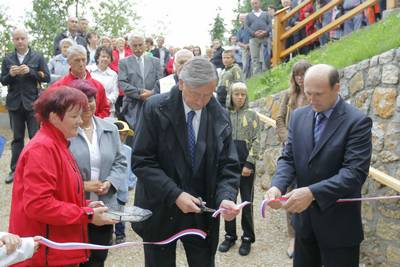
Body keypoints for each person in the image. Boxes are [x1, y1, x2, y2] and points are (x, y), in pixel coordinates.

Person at [131, 57, 241, 267]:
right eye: (195, 94)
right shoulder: (155, 108)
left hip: (202, 211)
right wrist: (175, 194)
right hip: (161, 207)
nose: (201, 102)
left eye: (208, 95)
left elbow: (228, 165)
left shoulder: (219, 115)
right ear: (181, 83)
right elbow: (142, 161)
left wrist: (226, 197)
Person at [265, 64, 373, 267]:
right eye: (308, 93)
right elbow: (288, 158)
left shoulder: (357, 122)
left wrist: (312, 193)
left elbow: (354, 174)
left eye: (318, 94)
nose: (312, 100)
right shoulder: (298, 116)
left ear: (337, 88)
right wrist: (277, 186)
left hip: (339, 226)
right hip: (304, 224)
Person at [8, 86, 115, 267]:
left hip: (55, 251)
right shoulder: (43, 149)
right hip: (45, 255)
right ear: (54, 117)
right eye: (74, 116)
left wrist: (87, 204)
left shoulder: (58, 144)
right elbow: (38, 205)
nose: (80, 121)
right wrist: (86, 214)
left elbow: (61, 195)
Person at [68, 80, 125, 267]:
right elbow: (56, 172)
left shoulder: (110, 129)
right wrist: (82, 186)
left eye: (91, 99)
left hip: (104, 206)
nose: (88, 105)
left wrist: (110, 182)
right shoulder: (65, 133)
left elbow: (120, 161)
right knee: (75, 258)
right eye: (82, 101)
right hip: (74, 207)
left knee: (98, 258)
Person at [1, 28, 50, 184]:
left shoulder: (37, 56)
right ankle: (15, 170)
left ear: (28, 39)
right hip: (14, 104)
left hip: (33, 103)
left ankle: (37, 170)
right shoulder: (7, 58)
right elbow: (3, 80)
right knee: (17, 138)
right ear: (13, 41)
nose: (20, 41)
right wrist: (11, 75)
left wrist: (30, 72)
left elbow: (46, 77)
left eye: (22, 38)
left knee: (36, 138)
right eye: (17, 39)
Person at [218, 82, 260, 256]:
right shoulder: (224, 114)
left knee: (246, 202)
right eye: (237, 94)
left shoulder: (252, 115)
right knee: (229, 202)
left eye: (243, 94)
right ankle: (230, 235)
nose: (240, 97)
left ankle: (248, 237)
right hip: (228, 167)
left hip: (246, 167)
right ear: (231, 96)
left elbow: (257, 140)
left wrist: (249, 163)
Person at [275, 59, 312, 258]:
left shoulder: (313, 94)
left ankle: (308, 233)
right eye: (297, 74)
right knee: (289, 192)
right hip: (290, 149)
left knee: (306, 191)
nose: (299, 78)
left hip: (310, 151)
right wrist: (287, 137)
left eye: (303, 74)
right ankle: (293, 236)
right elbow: (279, 119)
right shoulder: (289, 95)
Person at [51, 44, 110, 118]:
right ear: (69, 62)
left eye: (83, 59)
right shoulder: (59, 87)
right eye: (77, 60)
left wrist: (93, 123)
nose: (81, 64)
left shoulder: (98, 86)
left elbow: (105, 110)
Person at [118, 35, 161, 131]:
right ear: (130, 46)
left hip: (153, 104)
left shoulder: (155, 62)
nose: (138, 48)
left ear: (145, 45)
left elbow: (160, 82)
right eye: (135, 46)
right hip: (132, 106)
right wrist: (140, 93)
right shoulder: (123, 62)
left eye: (140, 45)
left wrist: (152, 93)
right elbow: (122, 83)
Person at [113, 120, 137, 244]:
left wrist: (131, 182)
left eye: (125, 134)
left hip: (123, 188)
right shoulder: (108, 148)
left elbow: (133, 169)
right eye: (120, 134)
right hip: (110, 188)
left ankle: (120, 234)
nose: (122, 137)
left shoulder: (128, 150)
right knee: (108, 211)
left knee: (120, 212)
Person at [87, 46, 119, 117]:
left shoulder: (113, 74)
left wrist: (108, 101)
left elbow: (115, 92)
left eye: (108, 57)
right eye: (103, 56)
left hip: (108, 109)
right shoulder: (89, 70)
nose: (105, 59)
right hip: (90, 108)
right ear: (98, 58)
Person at [245, 0, 272, 75]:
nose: (255, 5)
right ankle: (257, 75)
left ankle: (267, 72)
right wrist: (254, 33)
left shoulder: (266, 14)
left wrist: (265, 32)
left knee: (267, 55)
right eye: (253, 4)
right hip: (253, 39)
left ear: (259, 3)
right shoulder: (248, 16)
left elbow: (270, 24)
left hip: (265, 37)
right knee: (255, 58)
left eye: (256, 3)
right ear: (251, 5)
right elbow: (246, 27)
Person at [237, 13, 252, 79]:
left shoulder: (252, 26)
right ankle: (245, 79)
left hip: (254, 46)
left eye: (244, 18)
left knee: (253, 63)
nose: (242, 19)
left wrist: (250, 44)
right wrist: (245, 46)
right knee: (245, 64)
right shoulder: (240, 30)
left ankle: (253, 77)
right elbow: (238, 41)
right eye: (241, 18)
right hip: (244, 48)